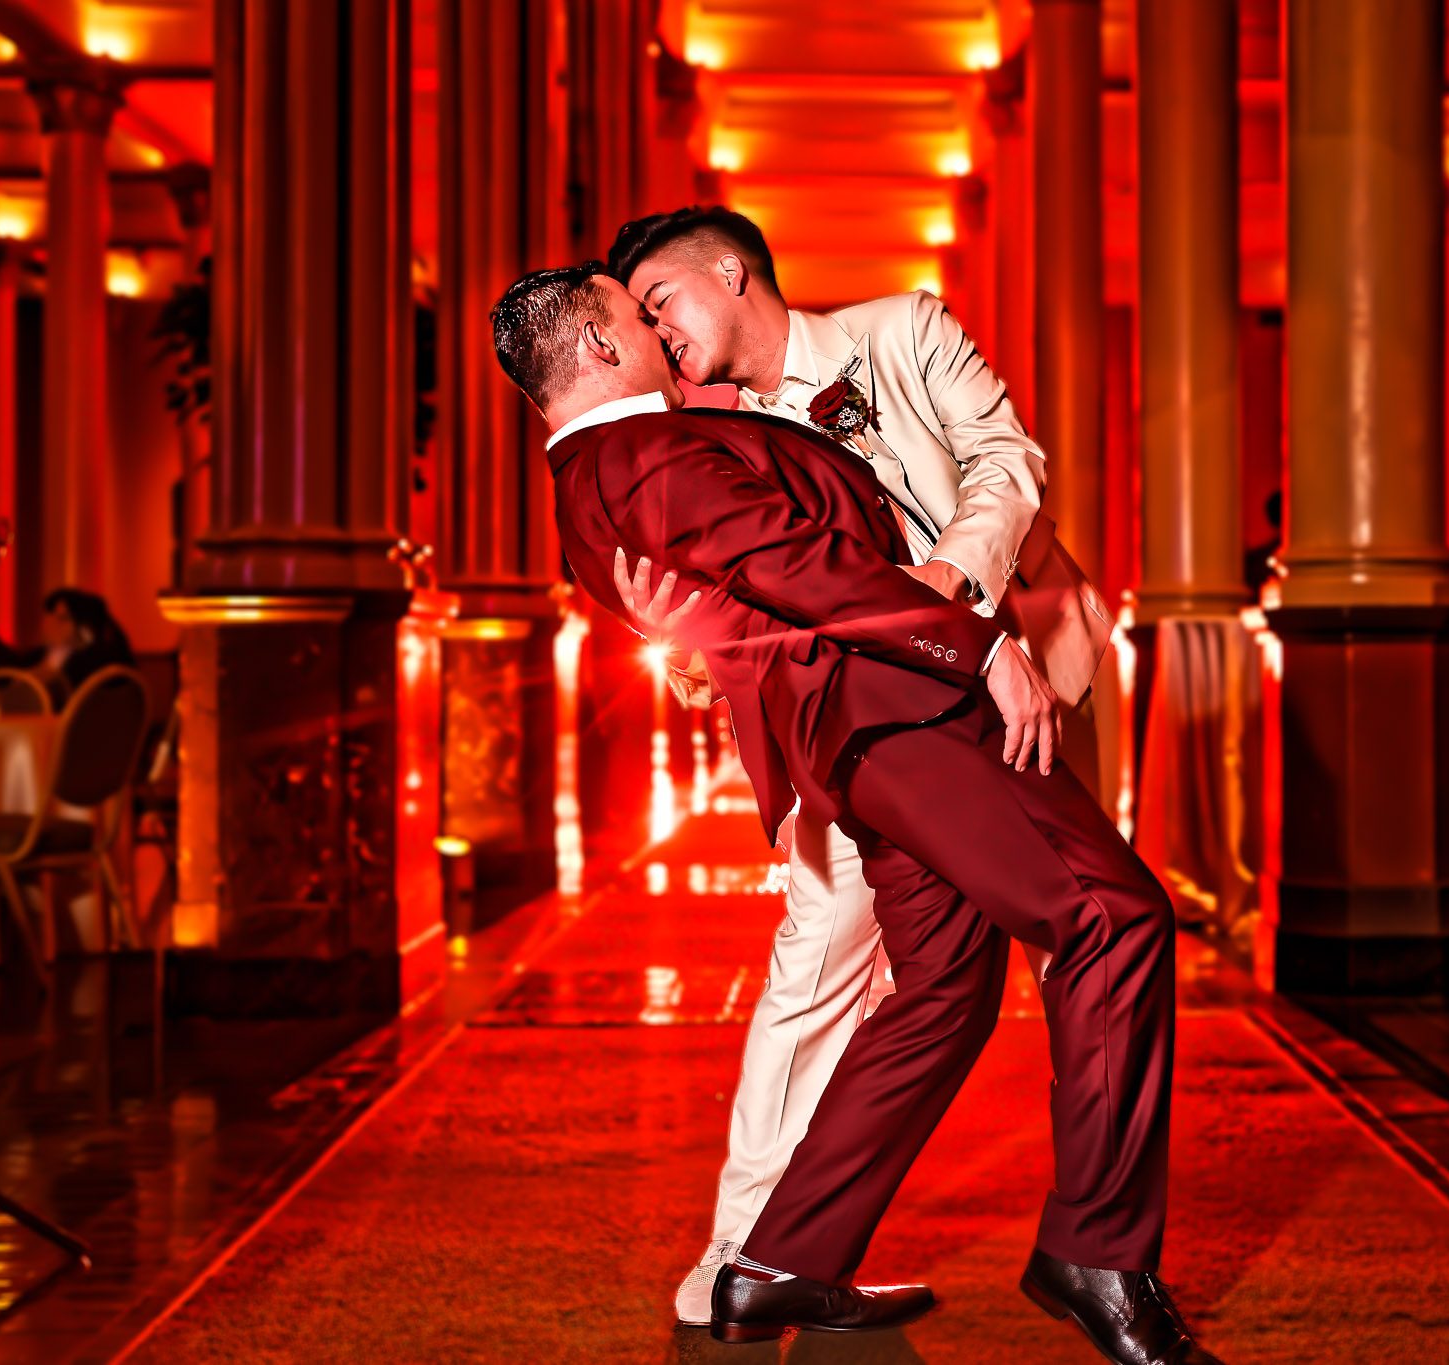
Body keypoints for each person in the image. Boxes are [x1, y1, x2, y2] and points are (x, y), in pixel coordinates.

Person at [492, 263, 1213, 1365]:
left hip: (861, 734)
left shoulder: (603, 470)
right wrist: (976, 647)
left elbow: (746, 595)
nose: (657, 331)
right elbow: (802, 570)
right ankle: (1097, 1253)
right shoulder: (638, 453)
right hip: (906, 711)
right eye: (637, 315)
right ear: (596, 347)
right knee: (1111, 919)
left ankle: (783, 1262)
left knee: (945, 989)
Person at [604, 206, 1116, 1324]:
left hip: (1015, 679)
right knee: (821, 959)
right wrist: (678, 639)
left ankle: (1080, 1241)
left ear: (730, 271)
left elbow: (1007, 463)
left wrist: (946, 592)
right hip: (853, 728)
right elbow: (742, 605)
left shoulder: (904, 330)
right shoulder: (707, 442)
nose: (657, 335)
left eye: (660, 303)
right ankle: (743, 1255)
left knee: (1060, 951)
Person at [36, 588, 135, 699]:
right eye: (49, 616)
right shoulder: (35, 656)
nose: (51, 624)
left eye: (63, 618)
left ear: (83, 625)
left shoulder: (98, 662)